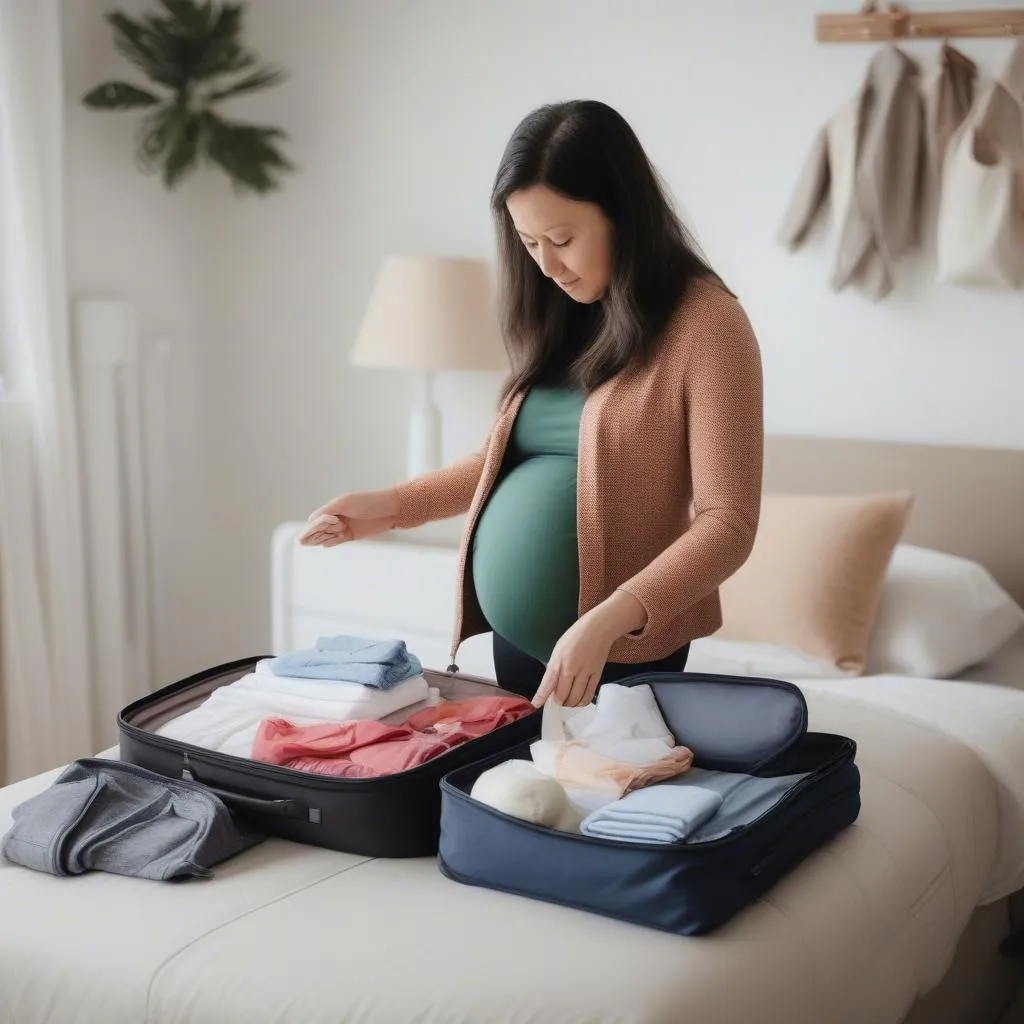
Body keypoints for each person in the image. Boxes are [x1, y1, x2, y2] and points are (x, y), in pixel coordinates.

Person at [302, 99, 763, 709]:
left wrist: (606, 621)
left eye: (563, 239)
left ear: (623, 213)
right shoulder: (561, 316)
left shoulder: (708, 325)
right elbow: (505, 463)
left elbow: (728, 523)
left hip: (622, 648)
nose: (546, 265)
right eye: (528, 242)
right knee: (513, 798)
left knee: (596, 800)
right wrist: (389, 507)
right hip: (517, 646)